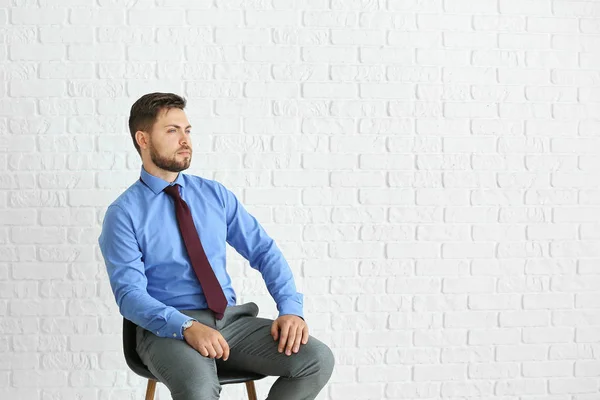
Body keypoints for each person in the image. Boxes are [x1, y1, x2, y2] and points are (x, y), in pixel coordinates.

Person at [98, 92, 334, 400]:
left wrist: (291, 309)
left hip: (231, 322)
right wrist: (186, 327)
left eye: (187, 130)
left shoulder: (215, 196)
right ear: (143, 139)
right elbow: (129, 296)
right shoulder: (124, 213)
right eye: (172, 131)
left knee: (317, 360)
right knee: (199, 389)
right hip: (168, 330)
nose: (185, 140)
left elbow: (264, 251)